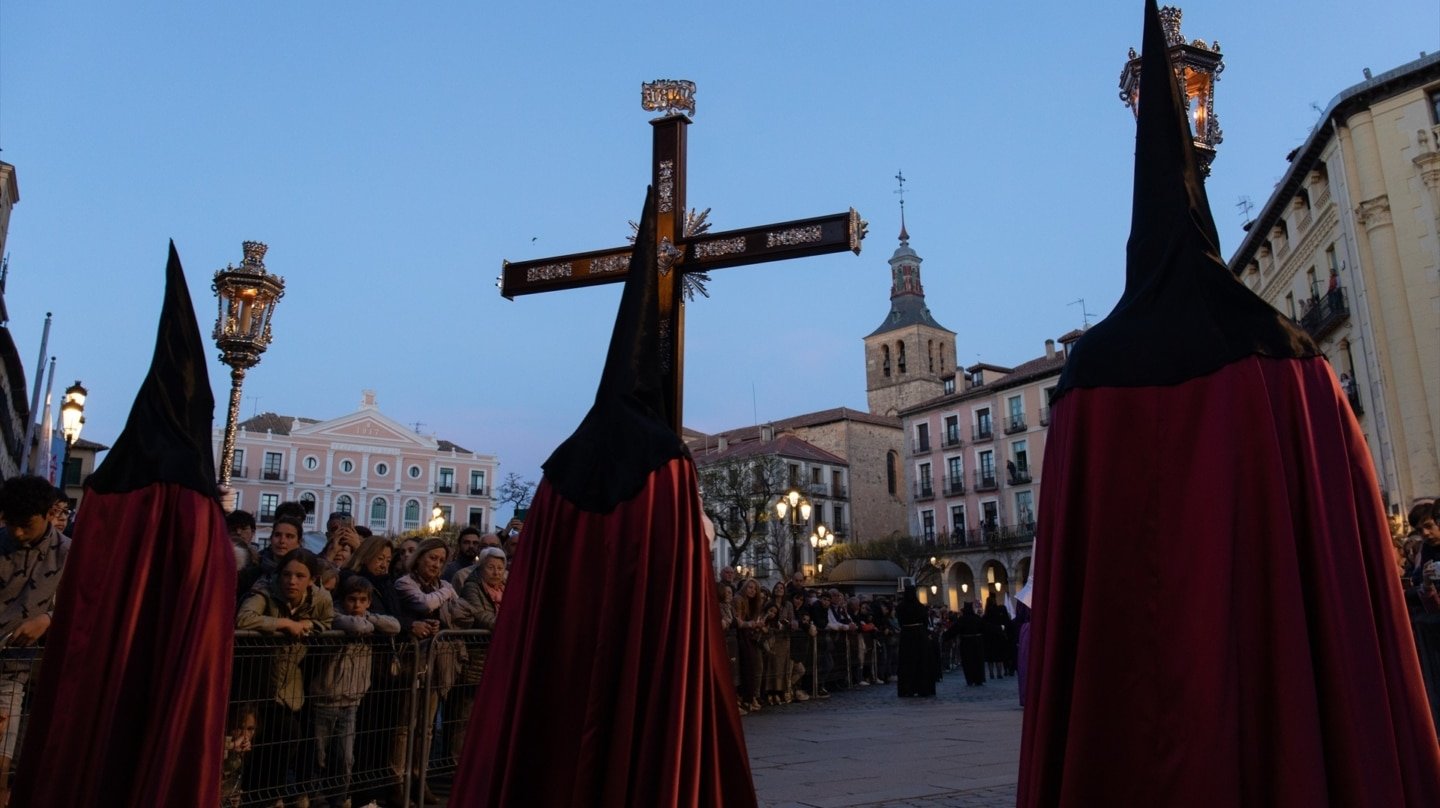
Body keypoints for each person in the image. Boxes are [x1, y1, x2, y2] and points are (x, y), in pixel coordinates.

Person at [235, 548, 334, 808]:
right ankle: (255, 796)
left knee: (287, 736)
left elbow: (328, 621)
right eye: (287, 574)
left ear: (311, 579)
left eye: (300, 576)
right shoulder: (264, 592)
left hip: (291, 680)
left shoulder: (320, 598)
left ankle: (271, 795)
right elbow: (244, 618)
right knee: (254, 741)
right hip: (254, 679)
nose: (292, 581)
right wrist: (284, 625)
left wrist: (310, 626)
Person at [0, 476, 70, 802]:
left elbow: (88, 610)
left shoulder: (71, 555)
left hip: (16, 676)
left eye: (24, 525)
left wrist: (48, 619)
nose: (16, 533)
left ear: (47, 514)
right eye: (10, 523)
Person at [309, 576, 400, 808]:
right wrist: (367, 624)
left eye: (362, 600)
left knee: (345, 757)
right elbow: (356, 626)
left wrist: (368, 619)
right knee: (318, 754)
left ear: (369, 601)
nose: (357, 605)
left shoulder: (366, 615)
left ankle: (340, 798)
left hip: (352, 700)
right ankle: (314, 795)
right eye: (352, 600)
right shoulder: (335, 615)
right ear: (343, 599)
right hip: (326, 697)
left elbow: (395, 626)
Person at [395, 537, 472, 805]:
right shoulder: (405, 582)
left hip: (438, 664)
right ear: (420, 557)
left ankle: (419, 776)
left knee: (427, 727)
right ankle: (398, 778)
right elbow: (425, 604)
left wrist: (445, 614)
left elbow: (462, 612)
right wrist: (446, 593)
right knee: (406, 724)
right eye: (432, 558)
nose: (436, 564)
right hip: (411, 663)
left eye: (441, 560)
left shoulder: (444, 585)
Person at [239, 515, 305, 602]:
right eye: (277, 535)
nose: (282, 541)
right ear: (271, 539)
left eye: (289, 536)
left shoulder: (307, 573)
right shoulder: (251, 574)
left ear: (299, 542)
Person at [896, 585, 936, 697]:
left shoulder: (900, 607)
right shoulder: (920, 607)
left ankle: (907, 688)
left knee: (907, 662)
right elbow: (925, 622)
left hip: (906, 636)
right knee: (921, 661)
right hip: (919, 635)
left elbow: (900, 622)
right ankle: (922, 687)